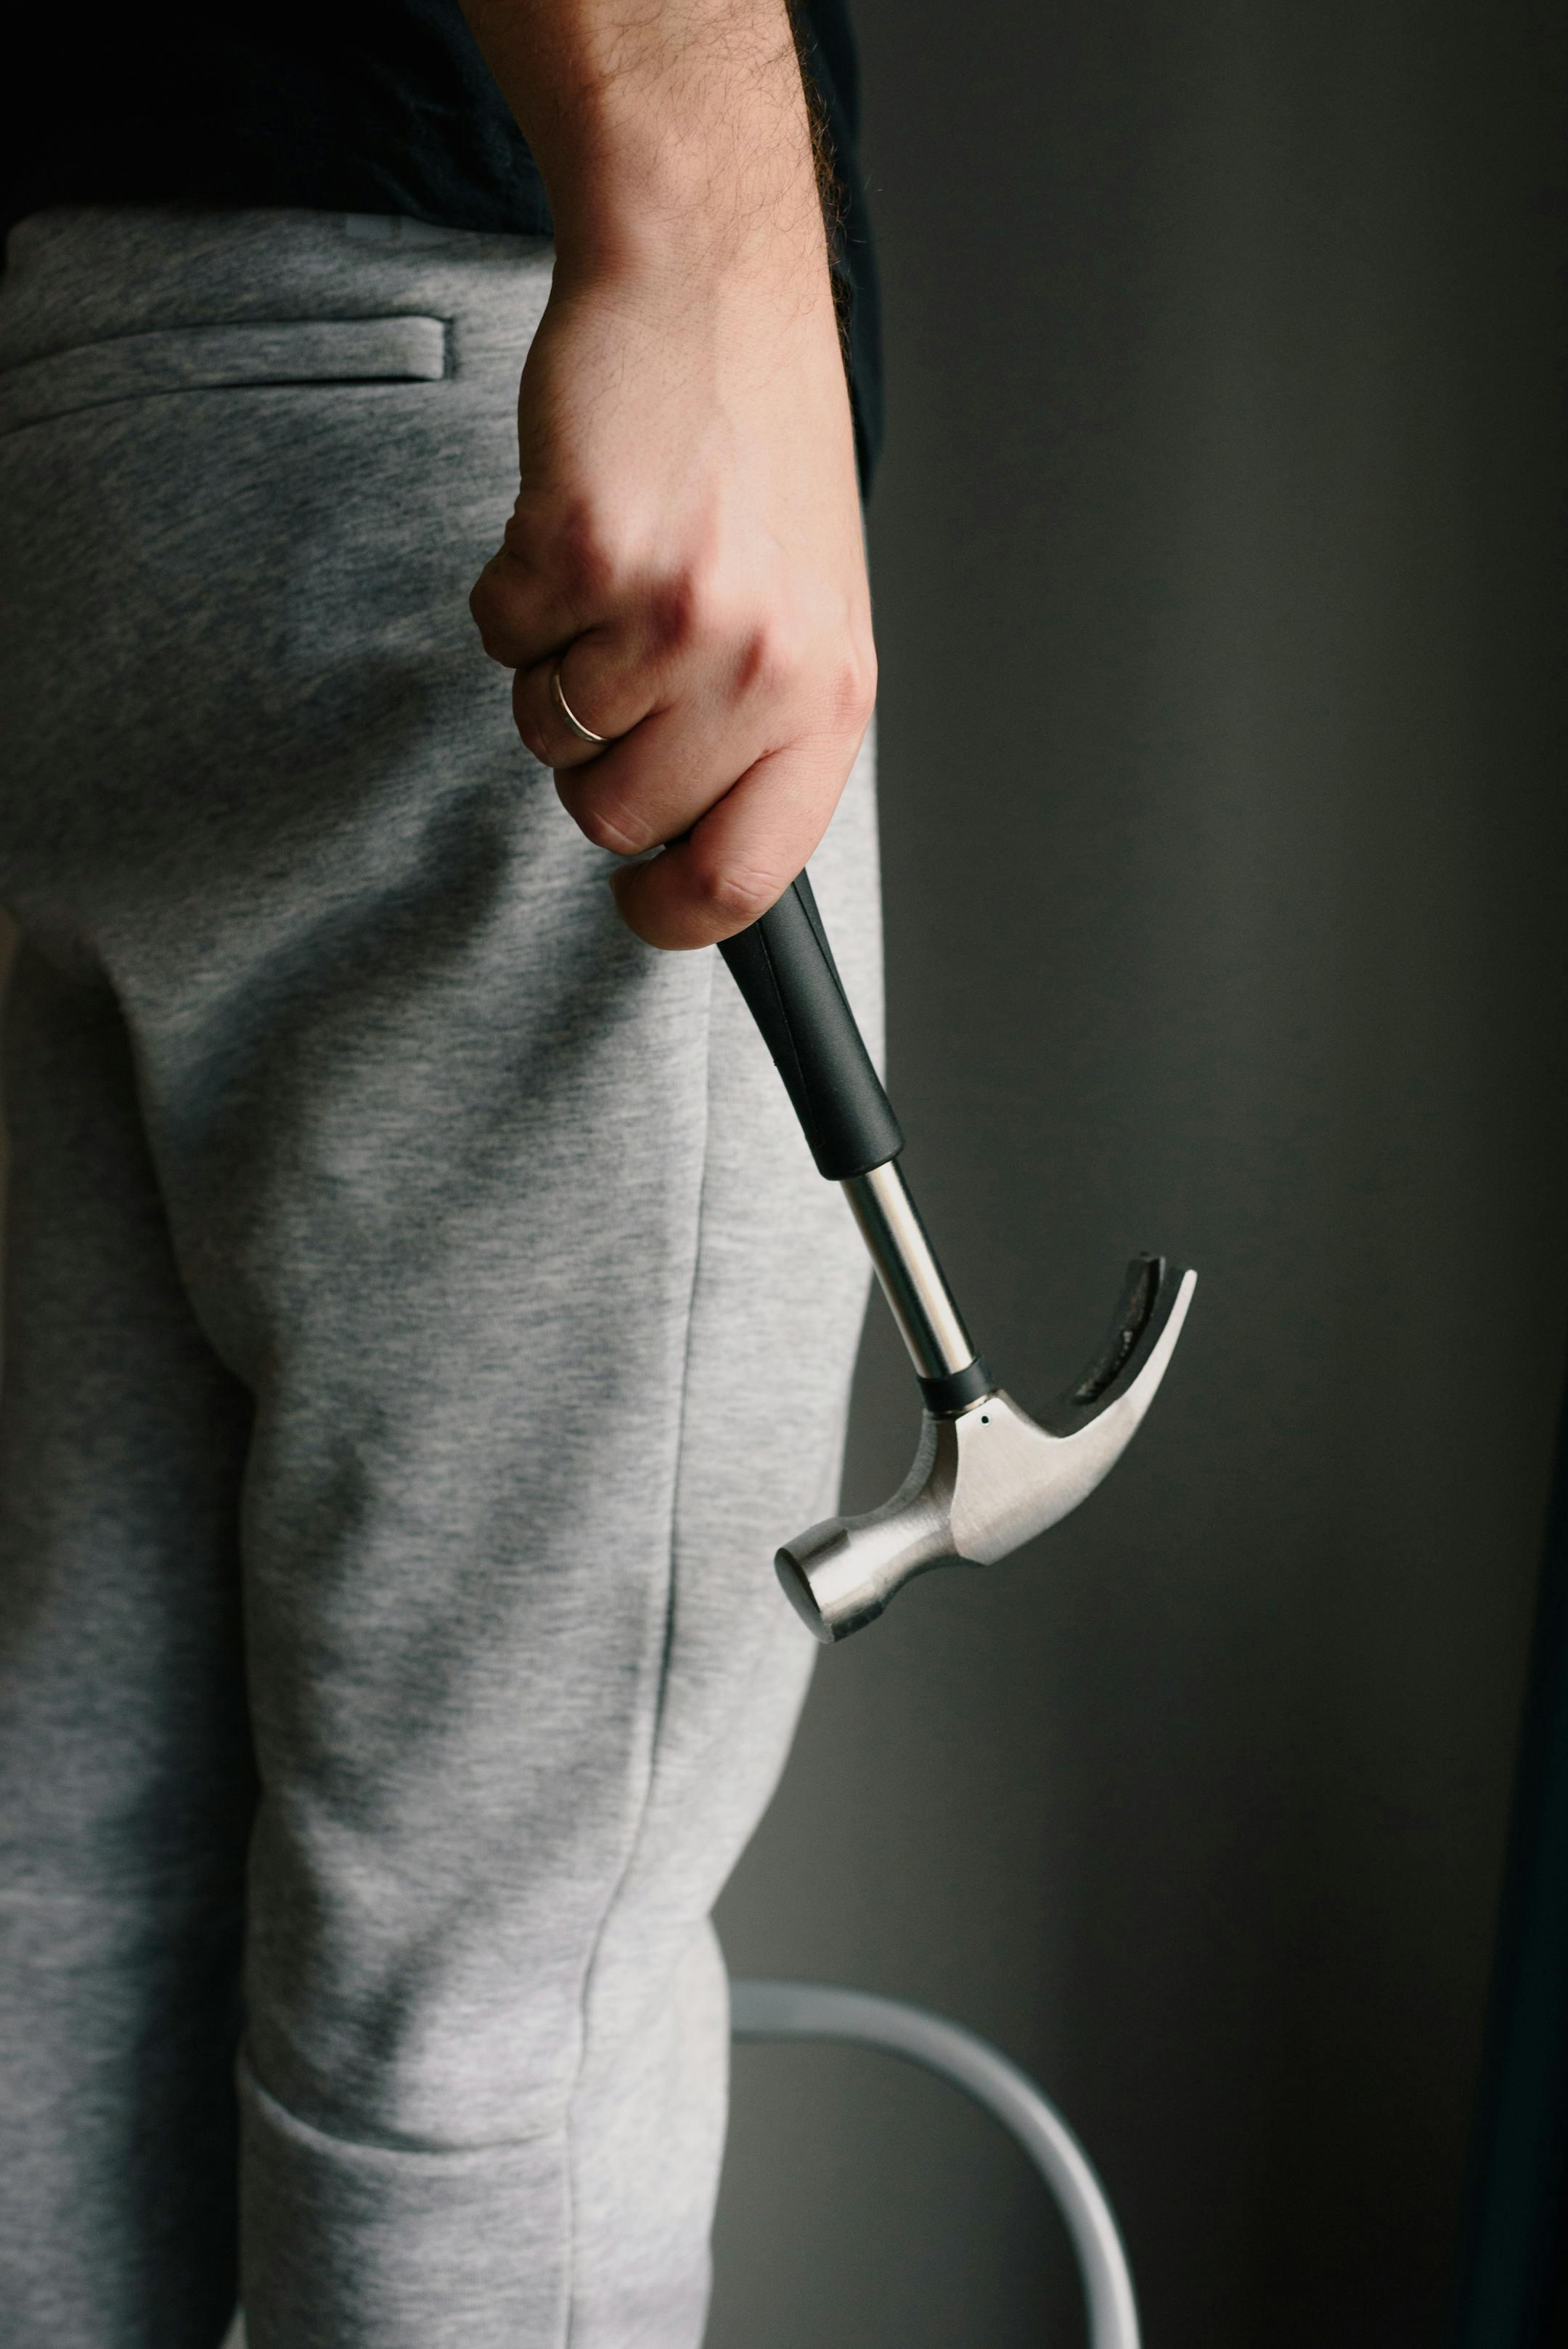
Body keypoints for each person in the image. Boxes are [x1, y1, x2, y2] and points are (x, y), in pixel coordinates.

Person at [0, 1, 883, 2341]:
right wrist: (699, 226)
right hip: (444, 364)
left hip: (70, 403)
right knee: (496, 2019)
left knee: (55, 1896)